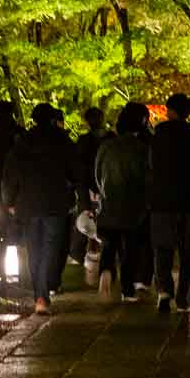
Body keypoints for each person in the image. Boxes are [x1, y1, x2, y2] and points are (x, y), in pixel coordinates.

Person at [1, 102, 78, 315]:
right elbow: (76, 170)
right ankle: (43, 294)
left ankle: (40, 296)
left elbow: (10, 174)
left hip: (28, 204)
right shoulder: (62, 140)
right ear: (53, 118)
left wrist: (9, 201)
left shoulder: (23, 142)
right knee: (50, 249)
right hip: (55, 204)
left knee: (34, 250)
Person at [147, 92, 190, 314]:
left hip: (162, 200)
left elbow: (151, 166)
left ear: (169, 110)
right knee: (187, 250)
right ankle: (184, 296)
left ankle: (165, 291)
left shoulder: (158, 135)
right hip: (189, 202)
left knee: (162, 247)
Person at [95, 102, 152, 301]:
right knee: (130, 249)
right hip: (133, 207)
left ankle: (106, 271)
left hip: (109, 203)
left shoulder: (106, 146)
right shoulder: (142, 149)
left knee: (109, 243)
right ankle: (128, 290)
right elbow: (147, 178)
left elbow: (97, 174)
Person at [68, 106, 111, 269]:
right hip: (106, 187)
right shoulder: (111, 139)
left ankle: (77, 255)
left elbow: (79, 169)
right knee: (103, 223)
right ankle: (103, 255)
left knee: (84, 222)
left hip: (88, 187)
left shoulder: (83, 142)